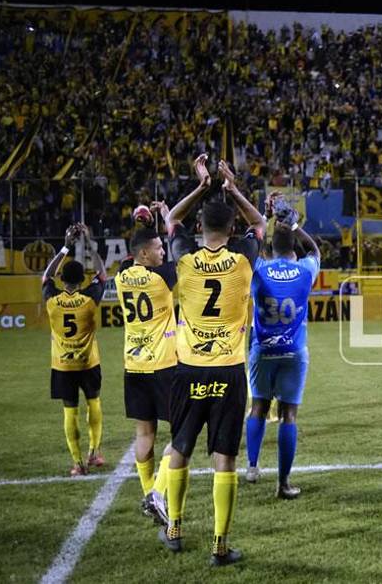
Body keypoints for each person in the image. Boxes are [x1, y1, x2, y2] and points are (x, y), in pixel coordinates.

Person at [159, 155, 265, 568]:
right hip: (228, 370)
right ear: (232, 229)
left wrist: (203, 187)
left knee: (180, 447)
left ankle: (175, 527)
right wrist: (232, 187)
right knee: (225, 457)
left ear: (200, 229)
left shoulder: (183, 257)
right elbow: (260, 225)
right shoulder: (242, 259)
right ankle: (220, 545)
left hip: (188, 369)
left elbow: (170, 221)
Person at [243, 207, 320, 500]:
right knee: (288, 415)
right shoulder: (305, 270)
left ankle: (251, 466)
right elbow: (314, 249)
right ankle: (283, 483)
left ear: (271, 247)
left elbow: (252, 249)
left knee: (258, 408)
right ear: (294, 250)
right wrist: (295, 225)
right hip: (293, 351)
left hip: (262, 349)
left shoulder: (259, 268)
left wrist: (264, 220)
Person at [113, 224, 182, 523]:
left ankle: (149, 495)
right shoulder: (162, 278)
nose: (162, 251)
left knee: (144, 434)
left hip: (134, 365)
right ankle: (157, 493)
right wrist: (172, 223)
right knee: (181, 434)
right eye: (157, 248)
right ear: (143, 252)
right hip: (164, 364)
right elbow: (181, 257)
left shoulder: (120, 277)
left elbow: (126, 264)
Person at [40, 223, 107, 476]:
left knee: (71, 410)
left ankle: (78, 463)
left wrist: (66, 246)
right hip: (88, 362)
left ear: (62, 279)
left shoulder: (52, 300)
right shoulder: (90, 299)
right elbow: (102, 275)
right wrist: (88, 244)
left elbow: (46, 277)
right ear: (82, 280)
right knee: (94, 403)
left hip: (63, 365)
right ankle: (95, 452)